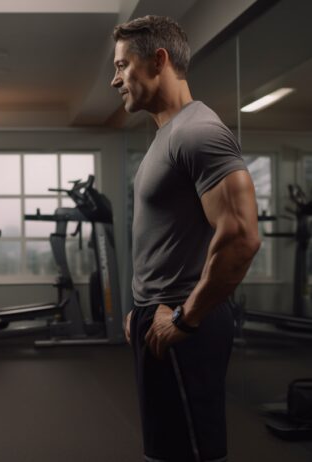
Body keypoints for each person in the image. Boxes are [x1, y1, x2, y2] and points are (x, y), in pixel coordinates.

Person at [111, 16, 260, 462]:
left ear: (158, 60)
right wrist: (140, 310)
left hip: (181, 324)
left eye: (122, 65)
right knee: (165, 451)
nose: (114, 78)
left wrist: (184, 318)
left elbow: (242, 237)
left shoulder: (198, 132)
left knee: (192, 454)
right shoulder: (167, 134)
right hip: (158, 316)